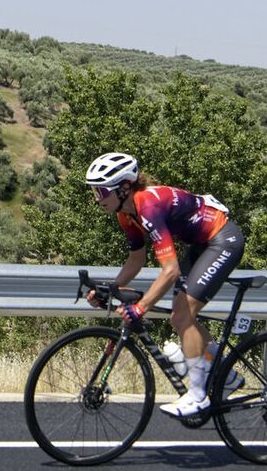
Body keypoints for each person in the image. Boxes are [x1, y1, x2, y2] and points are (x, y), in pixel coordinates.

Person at [83, 152, 246, 417]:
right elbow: (136, 259)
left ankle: (197, 396)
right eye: (95, 192)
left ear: (124, 188)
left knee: (183, 316)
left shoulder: (148, 206)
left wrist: (141, 308)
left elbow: (170, 271)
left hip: (223, 240)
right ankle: (226, 374)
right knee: (179, 317)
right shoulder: (126, 215)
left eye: (101, 192)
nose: (97, 199)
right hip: (202, 245)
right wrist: (111, 289)